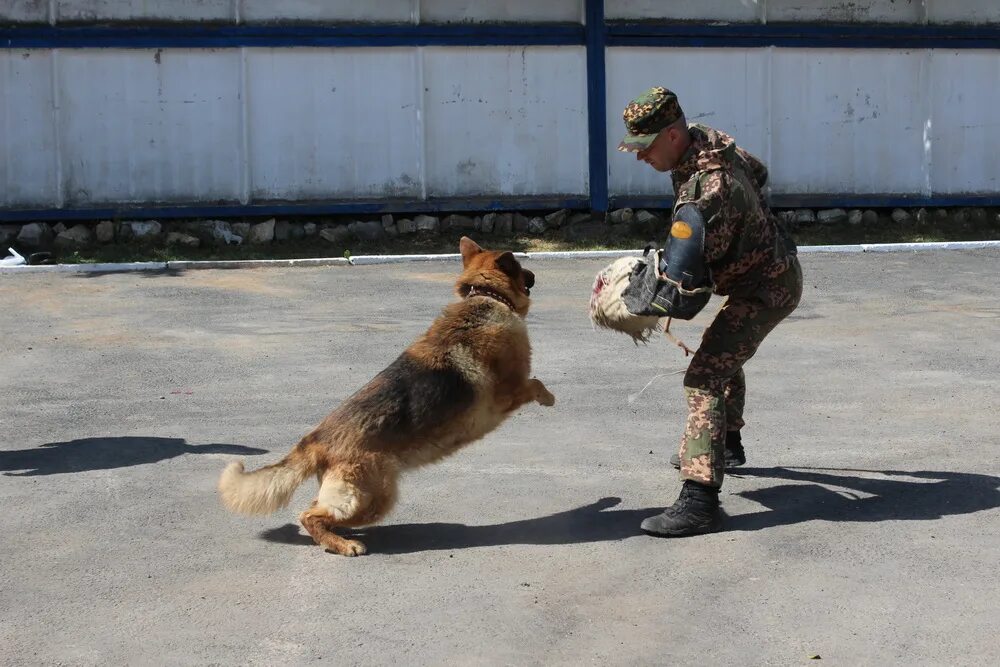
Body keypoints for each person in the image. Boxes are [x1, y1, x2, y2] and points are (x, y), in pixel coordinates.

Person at [616, 86, 803, 537]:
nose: (640, 158)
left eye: (646, 148)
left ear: (674, 134)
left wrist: (642, 297)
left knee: (704, 374)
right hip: (764, 269)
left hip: (767, 288)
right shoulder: (706, 139)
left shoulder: (705, 196)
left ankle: (699, 499)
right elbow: (758, 170)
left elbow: (688, 295)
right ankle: (729, 444)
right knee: (720, 353)